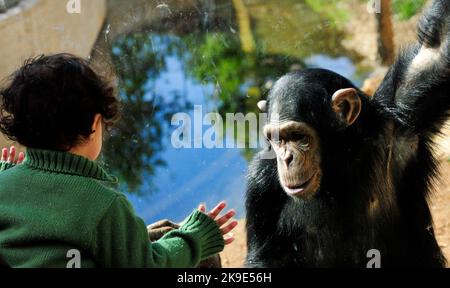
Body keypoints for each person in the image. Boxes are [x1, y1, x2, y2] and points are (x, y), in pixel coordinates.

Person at [0, 53, 238, 268]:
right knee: (203, 258)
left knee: (158, 232)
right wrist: (195, 239)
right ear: (95, 124)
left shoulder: (5, 185)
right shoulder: (102, 204)